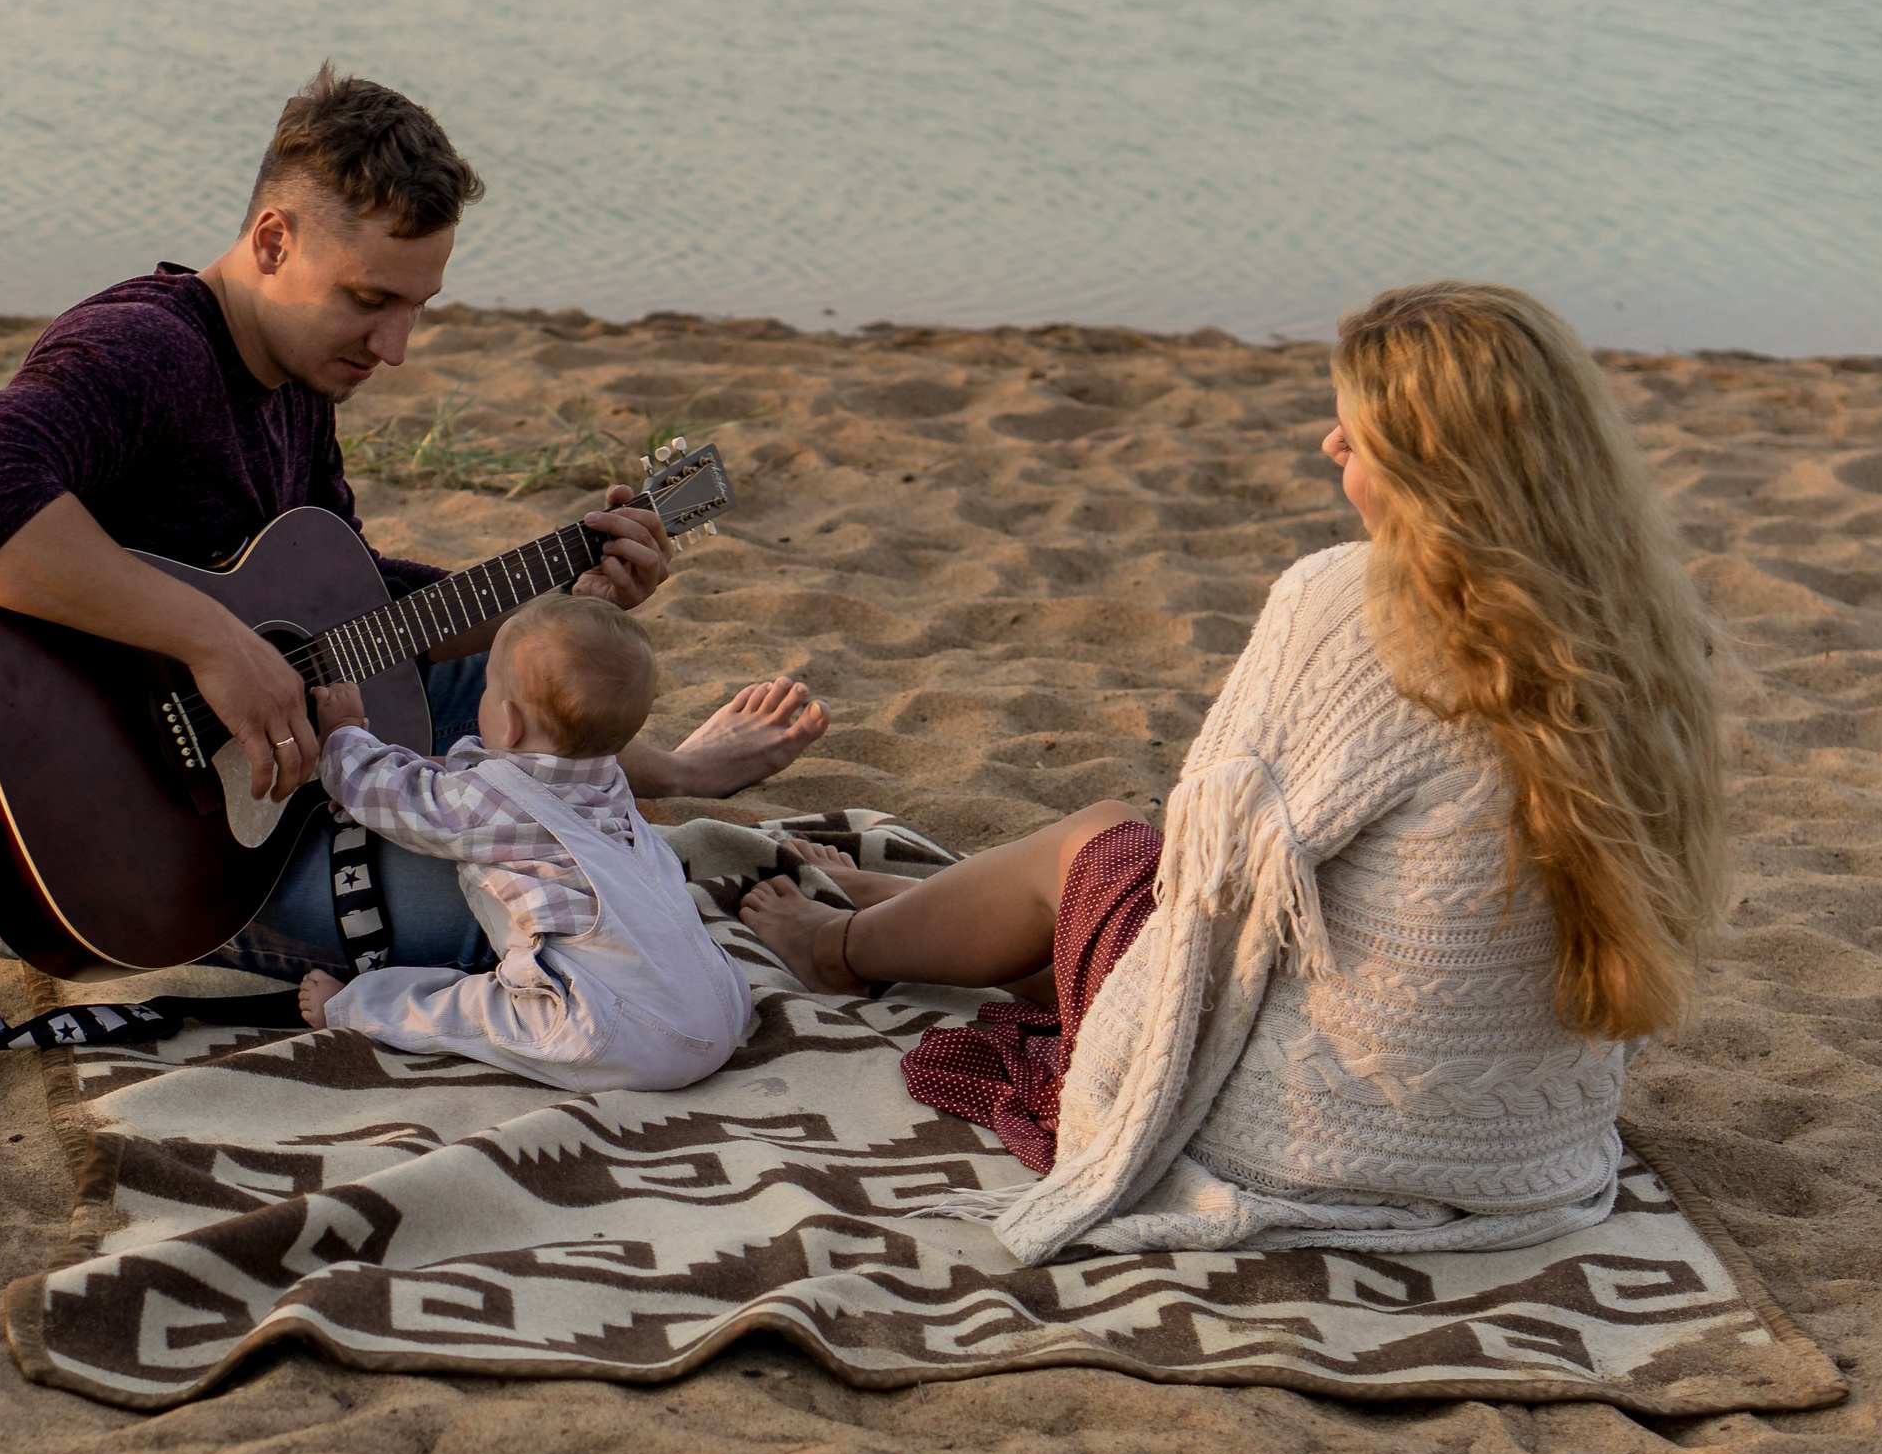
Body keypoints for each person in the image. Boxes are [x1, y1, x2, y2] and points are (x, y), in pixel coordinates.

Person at [740, 281, 1727, 1265]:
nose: (1328, 448)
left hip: (1311, 1141)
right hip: (1528, 1148)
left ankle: (840, 943)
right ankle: (909, 905)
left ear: (1433, 469)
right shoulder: (1647, 634)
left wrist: (1117, 1083)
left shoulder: (1348, 601)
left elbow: (1201, 891)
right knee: (1173, 891)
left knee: (1102, 843)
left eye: (1356, 436)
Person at [0, 65, 826, 984]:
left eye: (416, 308)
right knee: (540, 921)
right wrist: (213, 642)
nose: (394, 348)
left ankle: (666, 770)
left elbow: (361, 611)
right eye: (369, 299)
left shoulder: (296, 383)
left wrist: (569, 585)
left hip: (270, 772)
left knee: (522, 665)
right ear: (272, 241)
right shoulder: (151, 349)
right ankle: (654, 785)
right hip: (127, 837)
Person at [296, 592, 754, 1090]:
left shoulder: (493, 803)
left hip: (609, 1029)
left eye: (489, 689)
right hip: (724, 1004)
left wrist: (343, 733)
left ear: (508, 722)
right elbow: (482, 789)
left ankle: (353, 1006)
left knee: (463, 1011)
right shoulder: (605, 783)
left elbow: (399, 797)